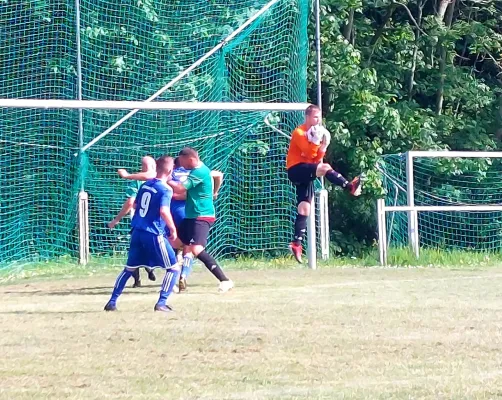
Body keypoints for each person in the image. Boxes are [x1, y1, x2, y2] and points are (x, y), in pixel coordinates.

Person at [286, 104, 362, 264]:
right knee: (326, 167)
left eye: (319, 118)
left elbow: (315, 160)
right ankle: (349, 186)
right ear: (307, 117)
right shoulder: (299, 133)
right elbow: (308, 153)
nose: (317, 120)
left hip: (307, 170)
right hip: (296, 169)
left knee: (305, 207)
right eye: (315, 117)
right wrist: (315, 142)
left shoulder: (316, 132)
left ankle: (296, 243)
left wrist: (323, 146)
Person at [104, 155, 179, 312]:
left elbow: (136, 204)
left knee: (129, 269)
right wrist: (172, 228)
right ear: (170, 170)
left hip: (137, 231)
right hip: (153, 232)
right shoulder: (166, 189)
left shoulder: (144, 185)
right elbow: (164, 211)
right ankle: (161, 303)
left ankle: (112, 302)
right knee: (173, 268)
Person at [168, 147, 233, 293]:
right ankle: (172, 279)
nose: (181, 165)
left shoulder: (199, 172)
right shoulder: (195, 171)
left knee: (196, 249)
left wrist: (165, 179)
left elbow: (179, 189)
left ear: (190, 159)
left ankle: (225, 281)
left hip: (202, 216)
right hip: (191, 216)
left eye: (182, 162)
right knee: (174, 242)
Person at [108, 156, 157, 286]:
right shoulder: (161, 179)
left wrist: (117, 219)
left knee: (135, 249)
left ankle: (137, 280)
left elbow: (130, 202)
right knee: (151, 246)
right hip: (156, 221)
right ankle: (150, 267)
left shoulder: (136, 180)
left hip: (139, 220)